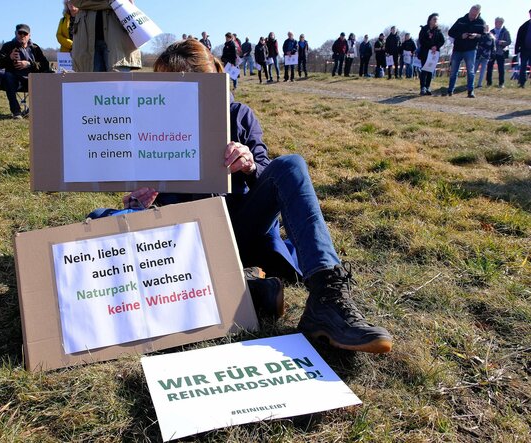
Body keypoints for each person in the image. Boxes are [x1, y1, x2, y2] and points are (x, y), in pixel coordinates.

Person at [117, 39, 393, 354]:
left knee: (290, 165)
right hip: (188, 241)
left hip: (242, 226)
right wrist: (140, 203)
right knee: (108, 220)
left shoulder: (239, 115)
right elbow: (147, 199)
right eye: (176, 87)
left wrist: (249, 165)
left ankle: (328, 297)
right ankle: (249, 291)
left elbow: (266, 173)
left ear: (214, 78)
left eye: (198, 84)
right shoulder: (149, 127)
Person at [0, 24, 50, 119]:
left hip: (32, 80)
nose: (22, 35)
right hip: (15, 80)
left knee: (48, 77)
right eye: (20, 33)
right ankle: (16, 112)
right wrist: (9, 57)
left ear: (29, 35)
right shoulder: (8, 46)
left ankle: (32, 110)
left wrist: (29, 64)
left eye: (25, 33)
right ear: (16, 33)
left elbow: (45, 65)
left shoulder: (35, 48)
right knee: (8, 76)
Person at [71, 0, 142, 72]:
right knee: (93, 81)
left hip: (118, 42)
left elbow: (127, 2)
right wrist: (111, 3)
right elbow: (76, 2)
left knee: (119, 81)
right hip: (87, 42)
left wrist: (90, 4)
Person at [447, 5, 486, 97]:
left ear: (478, 13)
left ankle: (470, 91)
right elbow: (451, 32)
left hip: (471, 49)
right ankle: (450, 90)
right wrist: (461, 35)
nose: (472, 16)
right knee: (454, 71)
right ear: (469, 11)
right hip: (458, 49)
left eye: (474, 14)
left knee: (470, 71)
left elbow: (484, 36)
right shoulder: (461, 20)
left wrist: (476, 35)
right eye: (471, 13)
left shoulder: (481, 22)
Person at [418, 13, 445, 95]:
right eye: (434, 19)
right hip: (425, 52)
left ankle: (428, 87)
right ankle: (423, 87)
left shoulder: (438, 31)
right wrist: (430, 46)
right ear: (430, 20)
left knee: (430, 71)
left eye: (437, 19)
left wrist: (436, 47)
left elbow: (442, 41)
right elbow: (421, 40)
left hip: (434, 53)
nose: (436, 21)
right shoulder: (424, 29)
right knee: (424, 70)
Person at [486, 17, 512, 88]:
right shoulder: (491, 31)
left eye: (498, 21)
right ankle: (489, 82)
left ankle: (501, 83)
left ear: (501, 23)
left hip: (501, 52)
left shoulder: (505, 31)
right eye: (495, 21)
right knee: (489, 67)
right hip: (492, 52)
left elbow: (509, 41)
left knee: (501, 68)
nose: (496, 23)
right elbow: (487, 40)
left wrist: (503, 43)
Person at [515, 9, 531, 88]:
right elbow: (519, 38)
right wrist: (517, 49)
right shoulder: (524, 26)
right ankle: (522, 83)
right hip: (525, 50)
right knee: (523, 66)